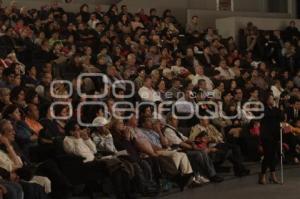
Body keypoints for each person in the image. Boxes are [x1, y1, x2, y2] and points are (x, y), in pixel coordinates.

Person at [259, 95, 283, 185]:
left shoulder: (275, 109)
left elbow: (281, 117)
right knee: (267, 155)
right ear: (266, 100)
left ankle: (272, 175)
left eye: (273, 99)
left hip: (274, 135)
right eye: (270, 99)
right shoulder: (264, 109)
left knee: (273, 156)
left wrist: (277, 107)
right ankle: (263, 175)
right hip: (266, 136)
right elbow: (269, 116)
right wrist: (276, 110)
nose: (272, 100)